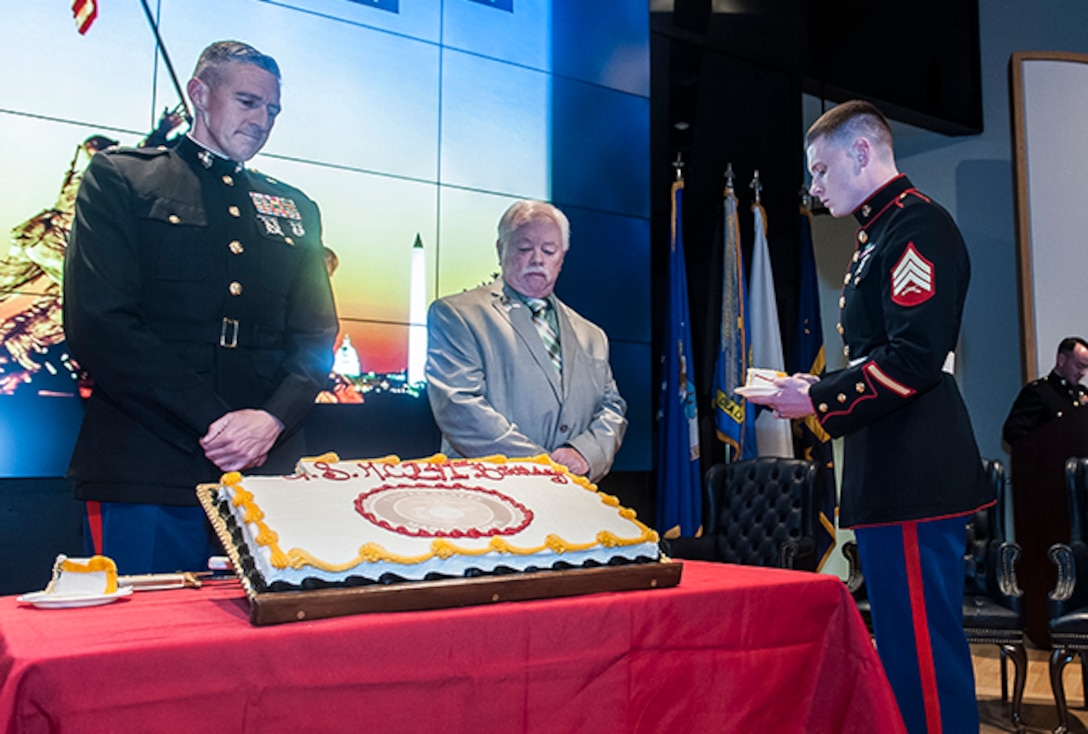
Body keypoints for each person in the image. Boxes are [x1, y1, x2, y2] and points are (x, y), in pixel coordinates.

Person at [747, 100, 993, 734]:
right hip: (893, 469)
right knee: (906, 653)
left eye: (822, 170)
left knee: (923, 657)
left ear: (863, 152)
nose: (815, 186)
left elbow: (913, 358)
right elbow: (883, 353)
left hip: (914, 471)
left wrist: (820, 402)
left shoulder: (918, 229)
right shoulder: (880, 232)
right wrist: (817, 384)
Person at [63, 41, 338, 575]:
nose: (262, 121)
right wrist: (218, 423)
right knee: (144, 645)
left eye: (272, 110)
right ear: (199, 94)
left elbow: (314, 338)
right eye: (247, 102)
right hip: (151, 464)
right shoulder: (123, 178)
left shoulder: (296, 208)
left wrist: (270, 421)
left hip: (268, 472)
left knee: (267, 654)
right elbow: (101, 323)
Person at [425, 200, 626, 483]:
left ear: (562, 257)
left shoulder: (592, 335)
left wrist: (584, 453)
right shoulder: (457, 315)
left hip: (573, 499)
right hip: (485, 494)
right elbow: (460, 406)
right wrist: (542, 467)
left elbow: (612, 407)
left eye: (548, 250)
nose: (537, 259)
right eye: (524, 248)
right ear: (500, 249)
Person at [1002, 336, 1088, 445]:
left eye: (1085, 368)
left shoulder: (1081, 393)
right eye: (1079, 366)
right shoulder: (1039, 392)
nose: (1083, 373)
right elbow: (1013, 431)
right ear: (1062, 360)